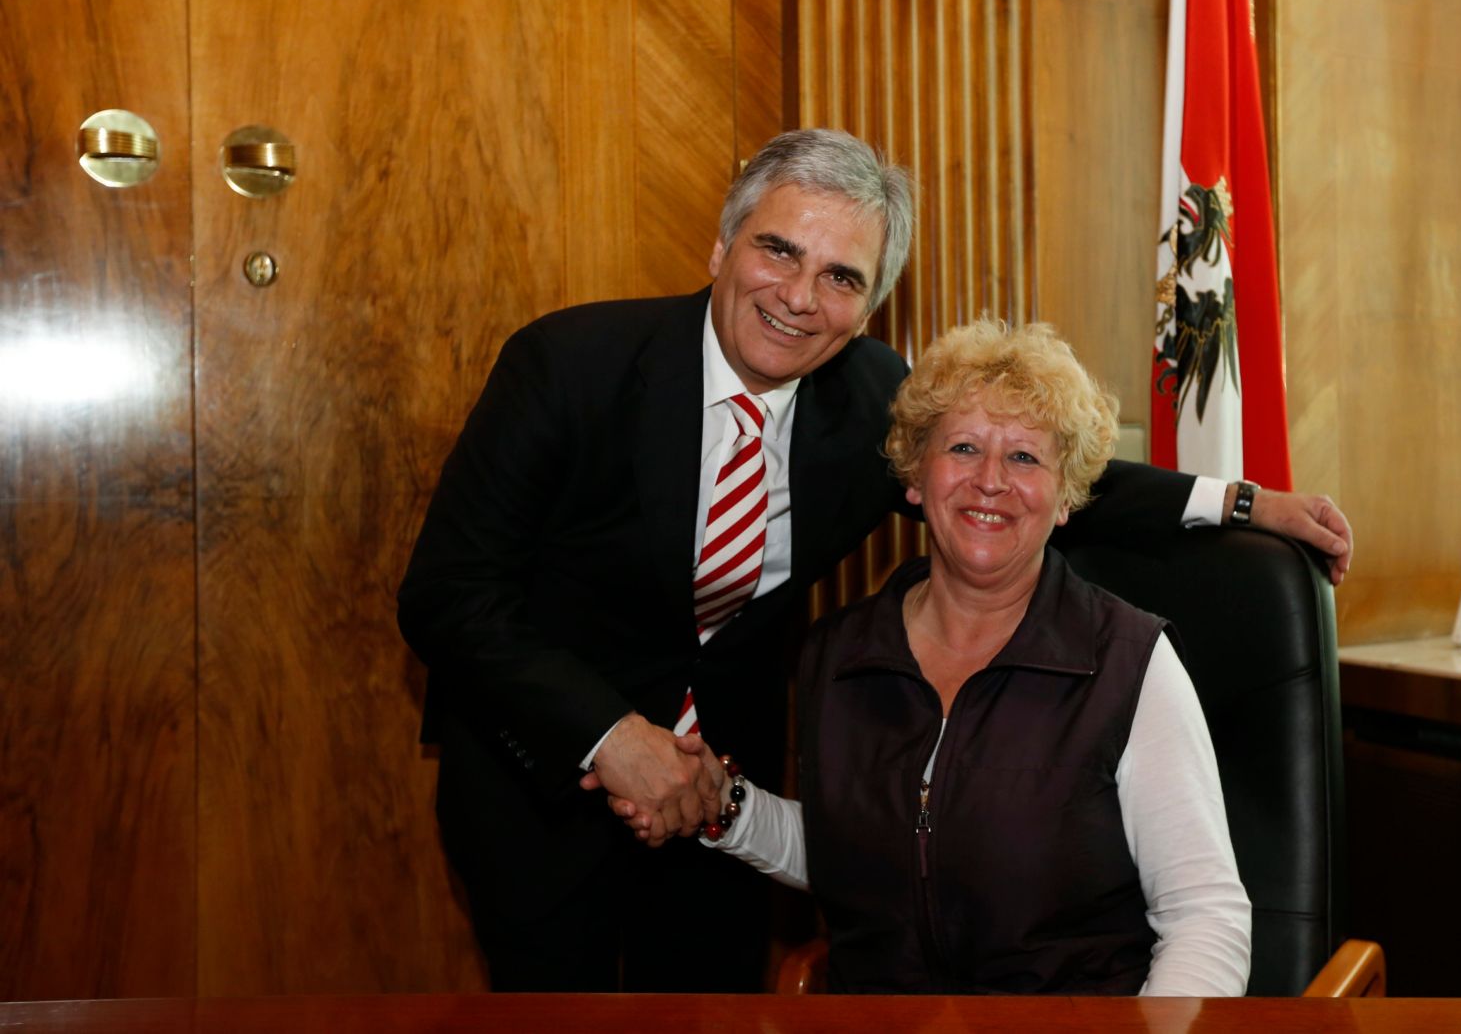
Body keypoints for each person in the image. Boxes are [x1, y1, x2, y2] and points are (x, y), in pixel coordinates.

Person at [398, 129, 1344, 993]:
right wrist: (613, 735)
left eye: (842, 276)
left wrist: (1247, 500)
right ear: (722, 247)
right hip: (544, 789)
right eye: (779, 250)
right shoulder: (570, 366)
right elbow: (447, 596)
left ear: (867, 307)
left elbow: (1042, 454)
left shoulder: (869, 403)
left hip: (714, 825)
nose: (801, 296)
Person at [598, 320, 1251, 994]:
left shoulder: (1130, 662)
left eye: (1025, 457)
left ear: (1065, 499)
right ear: (914, 477)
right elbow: (865, 851)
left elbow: (1205, 916)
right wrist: (726, 806)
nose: (991, 480)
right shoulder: (837, 652)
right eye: (963, 446)